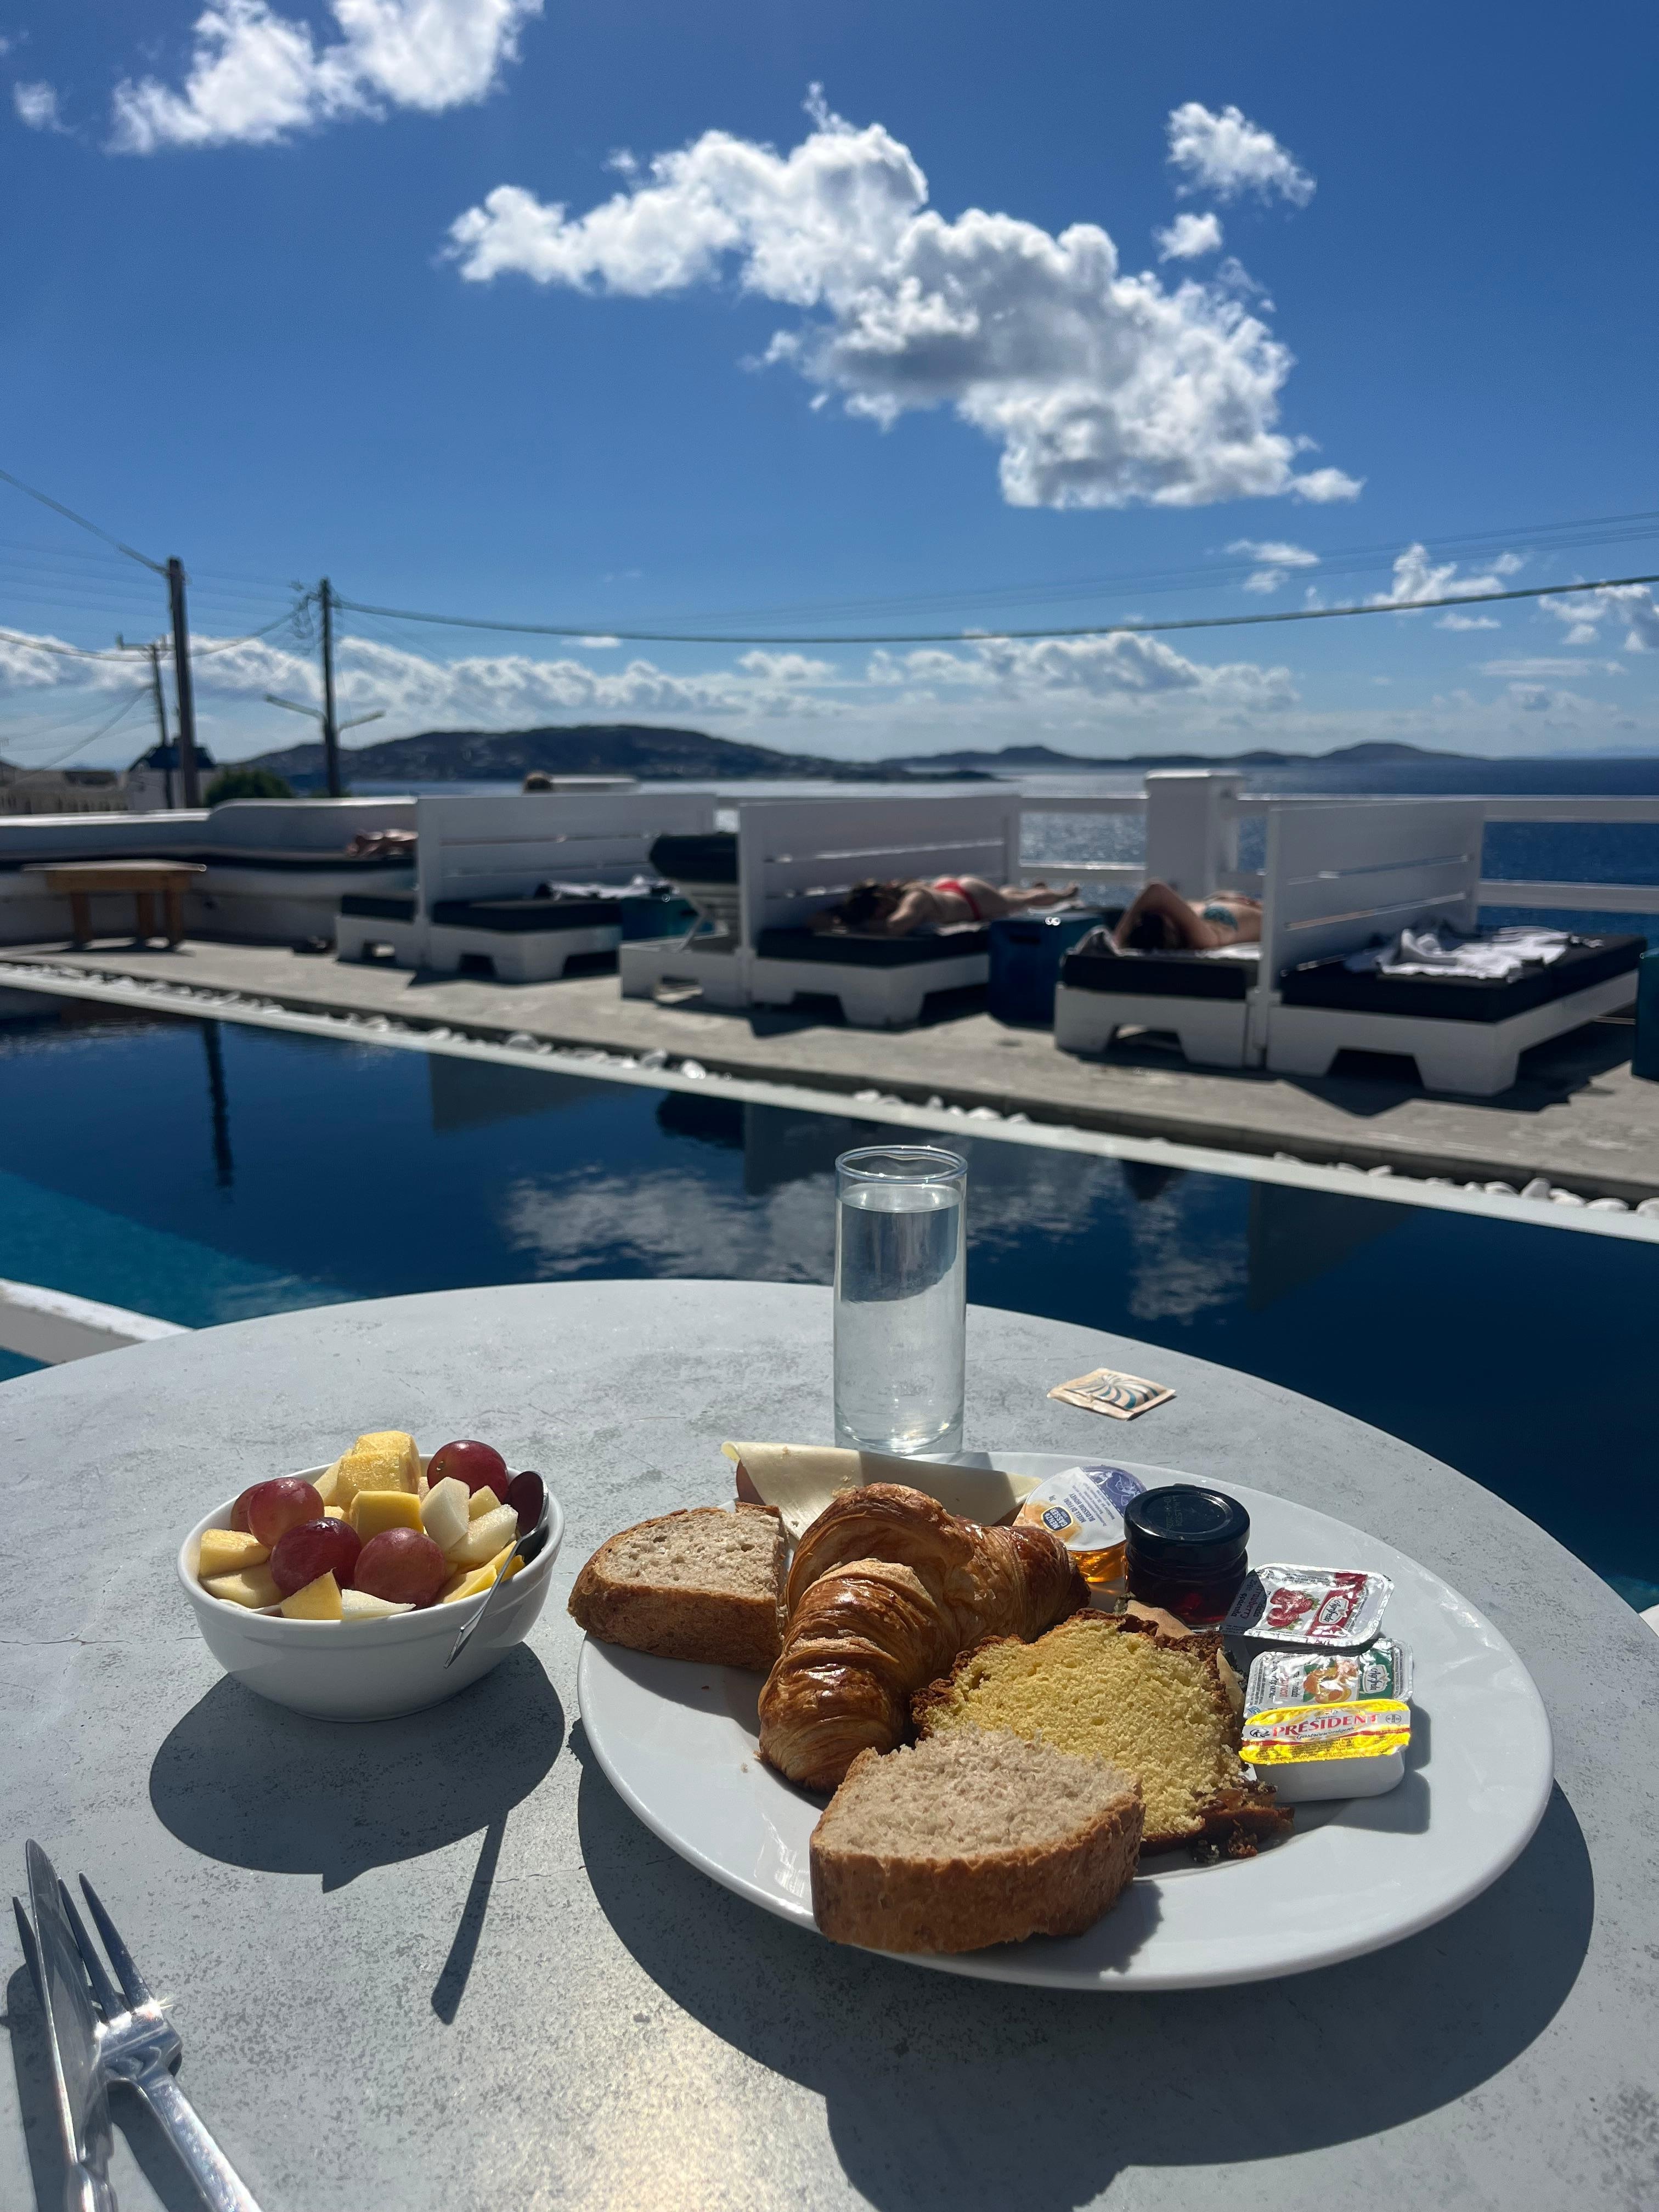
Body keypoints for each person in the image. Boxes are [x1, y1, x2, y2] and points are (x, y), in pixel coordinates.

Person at [812, 875, 1081, 937]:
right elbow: (813, 921)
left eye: (878, 911)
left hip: (971, 898)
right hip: (952, 891)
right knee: (1007, 896)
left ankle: (1063, 895)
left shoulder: (914, 899)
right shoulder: (900, 894)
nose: (880, 916)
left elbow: (896, 926)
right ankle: (1040, 889)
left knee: (1019, 902)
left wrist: (855, 927)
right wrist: (838, 918)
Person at [1110, 881, 1261, 952]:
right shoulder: (1205, 939)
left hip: (1243, 906)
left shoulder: (1193, 926)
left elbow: (1157, 892)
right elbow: (1157, 890)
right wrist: (1119, 938)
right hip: (1265, 917)